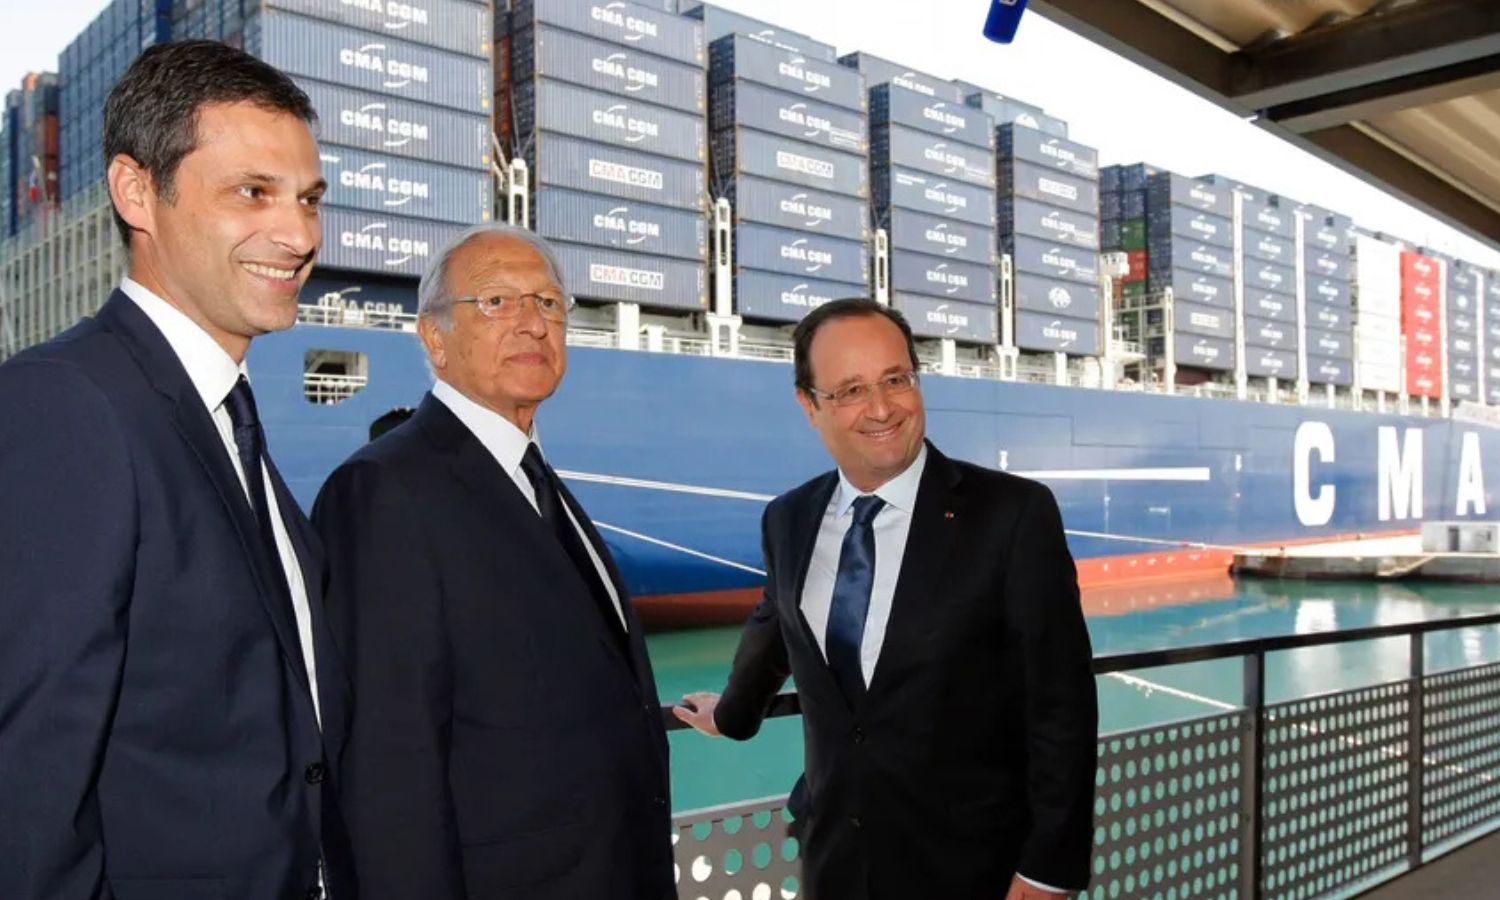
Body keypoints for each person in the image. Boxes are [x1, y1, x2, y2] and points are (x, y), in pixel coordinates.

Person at [0, 41, 351, 899]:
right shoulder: (66, 404)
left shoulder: (226, 413)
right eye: (252, 193)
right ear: (135, 192)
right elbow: (27, 789)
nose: (300, 234)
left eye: (309, 199)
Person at [674, 298, 1098, 900]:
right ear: (809, 405)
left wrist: (1048, 869)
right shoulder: (789, 518)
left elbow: (1062, 705)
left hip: (975, 867)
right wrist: (732, 714)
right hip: (835, 860)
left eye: (895, 380)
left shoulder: (1012, 514)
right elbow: (776, 620)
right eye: (850, 390)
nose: (881, 408)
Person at [312, 224, 675, 899]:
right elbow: (387, 770)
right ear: (433, 336)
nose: (532, 324)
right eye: (497, 302)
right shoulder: (383, 491)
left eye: (547, 303)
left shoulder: (535, 481)